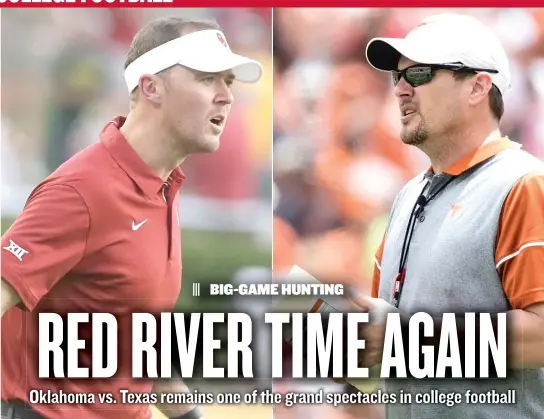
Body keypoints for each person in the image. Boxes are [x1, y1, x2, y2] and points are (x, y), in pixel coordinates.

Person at [1, 17, 262, 419]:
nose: (227, 96)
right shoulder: (81, 190)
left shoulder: (161, 187)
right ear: (150, 86)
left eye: (229, 81)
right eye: (208, 79)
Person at [357, 12, 544, 419]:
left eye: (420, 74)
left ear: (478, 86)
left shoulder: (523, 184)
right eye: (397, 77)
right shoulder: (406, 197)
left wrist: (407, 337)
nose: (401, 90)